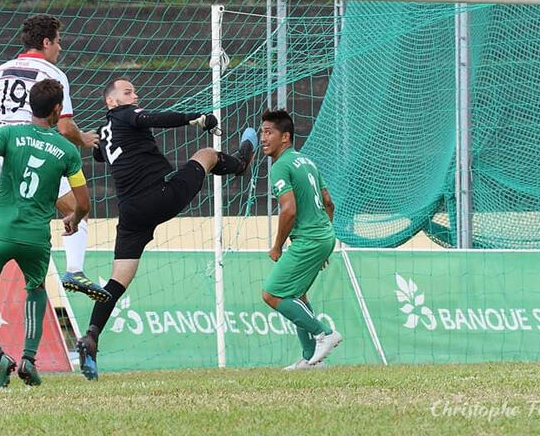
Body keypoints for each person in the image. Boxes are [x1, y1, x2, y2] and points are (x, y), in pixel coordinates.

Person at [75, 77, 258, 380]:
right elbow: (153, 118)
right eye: (128, 92)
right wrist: (197, 118)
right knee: (206, 155)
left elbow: (98, 152)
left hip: (131, 214)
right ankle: (241, 163)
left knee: (117, 282)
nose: (135, 95)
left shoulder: (106, 131)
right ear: (111, 102)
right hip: (158, 197)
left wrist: (87, 139)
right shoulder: (126, 115)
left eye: (135, 91)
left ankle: (91, 336)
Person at [0, 14, 108, 332]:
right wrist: (85, 139)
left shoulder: (1, 70)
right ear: (46, 42)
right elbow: (65, 126)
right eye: (58, 41)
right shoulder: (53, 74)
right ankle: (74, 271)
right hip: (31, 150)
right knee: (76, 209)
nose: (60, 47)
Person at [0, 79, 90, 388]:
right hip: (36, 238)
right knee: (36, 287)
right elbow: (83, 203)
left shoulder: (8, 134)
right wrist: (74, 218)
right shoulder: (68, 150)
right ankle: (29, 359)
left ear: (30, 106)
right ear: (57, 110)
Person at [259, 109, 341, 370]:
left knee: (272, 294)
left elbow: (289, 210)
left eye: (269, 132)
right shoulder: (307, 162)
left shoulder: (280, 166)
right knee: (297, 294)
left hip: (310, 239)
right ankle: (310, 359)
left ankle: (325, 333)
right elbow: (328, 202)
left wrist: (277, 247)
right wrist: (324, 241)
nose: (263, 138)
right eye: (262, 132)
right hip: (323, 236)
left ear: (285, 137)